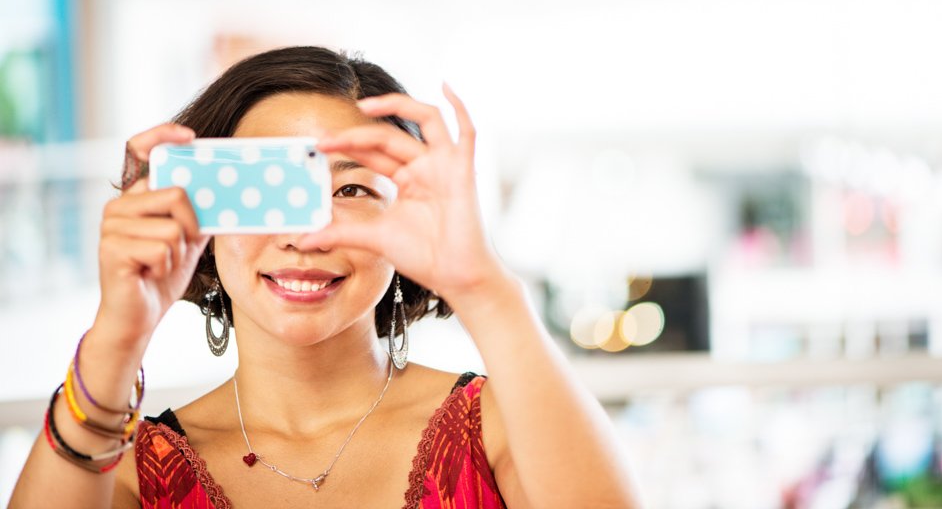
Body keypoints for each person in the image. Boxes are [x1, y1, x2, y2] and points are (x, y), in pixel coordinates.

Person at [10, 46, 640, 508]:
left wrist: (485, 287)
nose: (305, 234)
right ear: (203, 210)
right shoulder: (124, 475)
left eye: (353, 188)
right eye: (270, 193)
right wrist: (120, 334)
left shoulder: (502, 427)